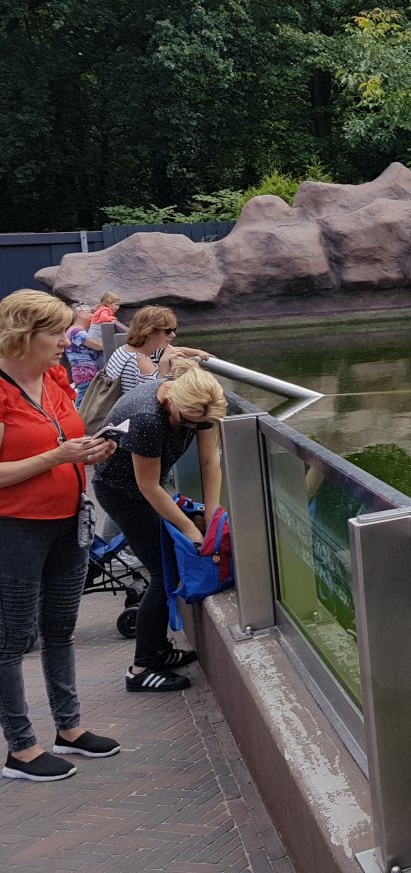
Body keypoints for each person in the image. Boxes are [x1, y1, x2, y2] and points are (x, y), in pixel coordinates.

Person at [0, 290, 120, 781]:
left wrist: (90, 452)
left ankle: (68, 729)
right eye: (57, 333)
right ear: (23, 336)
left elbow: (61, 438)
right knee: (11, 640)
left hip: (69, 520)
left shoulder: (53, 377)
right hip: (16, 529)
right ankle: (20, 748)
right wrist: (57, 457)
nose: (67, 342)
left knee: (60, 630)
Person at [92, 359, 225, 693]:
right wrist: (192, 530)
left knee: (169, 566)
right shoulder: (148, 418)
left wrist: (212, 513)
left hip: (151, 486)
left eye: (202, 425)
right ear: (172, 405)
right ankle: (142, 668)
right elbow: (148, 487)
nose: (196, 431)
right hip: (123, 492)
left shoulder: (200, 409)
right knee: (162, 573)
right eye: (191, 424)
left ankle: (159, 651)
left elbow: (210, 462)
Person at [100, 306, 211, 394]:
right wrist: (163, 365)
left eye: (174, 330)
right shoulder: (141, 361)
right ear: (149, 331)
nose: (173, 335)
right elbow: (153, 399)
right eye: (168, 331)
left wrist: (198, 352)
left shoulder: (124, 350)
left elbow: (176, 350)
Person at [64, 304, 103, 402]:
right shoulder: (76, 331)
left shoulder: (72, 330)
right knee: (83, 403)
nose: (93, 314)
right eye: (90, 312)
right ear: (80, 313)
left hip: (83, 373)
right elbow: (98, 346)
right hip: (85, 373)